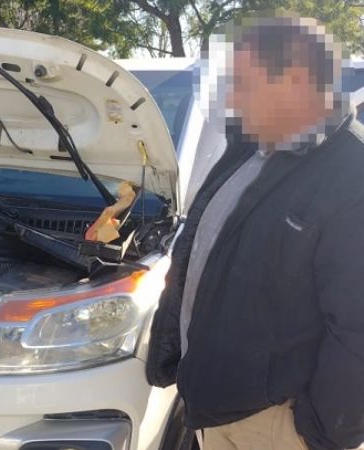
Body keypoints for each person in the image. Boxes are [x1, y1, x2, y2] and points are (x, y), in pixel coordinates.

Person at [146, 15, 364, 450]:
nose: (231, 97)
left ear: (298, 80)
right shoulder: (245, 152)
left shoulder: (352, 175)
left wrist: (318, 432)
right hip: (213, 408)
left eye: (243, 83)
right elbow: (197, 261)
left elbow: (357, 329)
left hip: (281, 429)